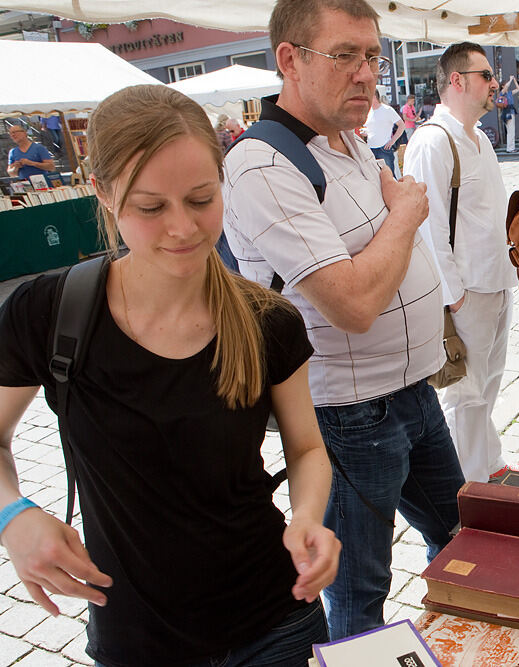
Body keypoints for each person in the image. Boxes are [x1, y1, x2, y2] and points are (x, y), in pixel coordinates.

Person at [0, 84, 341, 666]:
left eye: (202, 199)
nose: (183, 229)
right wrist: (14, 515)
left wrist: (308, 517)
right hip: (137, 640)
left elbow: (307, 447)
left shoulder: (269, 322)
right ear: (105, 195)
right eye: (151, 207)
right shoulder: (48, 314)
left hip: (276, 621)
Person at [221, 0, 465, 641]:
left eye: (372, 56)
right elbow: (352, 305)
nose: (366, 74)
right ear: (289, 60)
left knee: (466, 540)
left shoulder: (349, 140)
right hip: (348, 414)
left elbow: (378, 254)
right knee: (359, 595)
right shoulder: (261, 164)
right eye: (344, 55)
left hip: (412, 395)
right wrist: (407, 212)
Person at [403, 43, 519, 483]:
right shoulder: (432, 142)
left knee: (488, 383)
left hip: (495, 280)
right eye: (486, 75)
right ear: (457, 81)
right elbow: (426, 228)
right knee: (464, 394)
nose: (494, 83)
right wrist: (453, 297)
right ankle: (471, 485)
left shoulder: (480, 140)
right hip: (467, 289)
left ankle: (488, 463)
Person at [364, 92, 405, 176]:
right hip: (370, 149)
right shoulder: (368, 111)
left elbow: (402, 125)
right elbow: (372, 128)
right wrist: (365, 132)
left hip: (384, 148)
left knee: (389, 177)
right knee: (375, 178)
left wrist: (392, 141)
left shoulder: (387, 110)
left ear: (374, 96)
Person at [500, 75, 519, 152]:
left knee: (512, 131)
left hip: (511, 112)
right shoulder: (503, 93)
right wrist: (510, 79)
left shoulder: (509, 93)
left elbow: (518, 89)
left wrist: (514, 80)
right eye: (505, 84)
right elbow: (506, 87)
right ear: (502, 86)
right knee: (510, 131)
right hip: (507, 113)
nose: (507, 85)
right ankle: (510, 148)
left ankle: (511, 147)